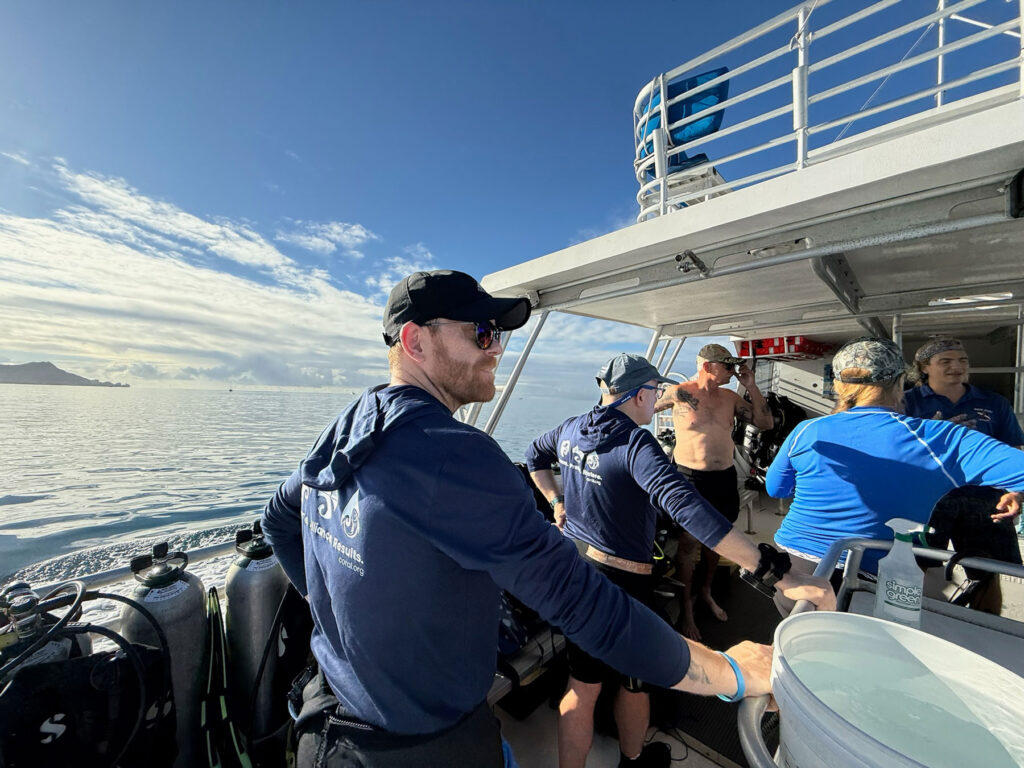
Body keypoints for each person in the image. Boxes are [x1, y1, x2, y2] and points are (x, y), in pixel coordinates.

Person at [262, 270, 782, 768]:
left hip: (328, 722)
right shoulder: (454, 454)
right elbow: (583, 603)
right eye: (482, 333)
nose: (497, 348)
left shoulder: (349, 423)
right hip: (425, 746)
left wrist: (336, 616)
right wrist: (730, 673)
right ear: (416, 341)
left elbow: (278, 520)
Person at [526, 353, 834, 768]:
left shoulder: (570, 429)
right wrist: (771, 569)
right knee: (635, 683)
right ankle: (633, 759)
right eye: (654, 392)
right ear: (640, 395)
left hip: (579, 573)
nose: (657, 402)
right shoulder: (635, 443)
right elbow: (686, 507)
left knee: (583, 686)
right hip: (624, 585)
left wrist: (556, 502)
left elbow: (533, 456)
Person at [766, 336, 1024, 613]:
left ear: (839, 386)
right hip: (881, 577)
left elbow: (776, 489)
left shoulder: (806, 430)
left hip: (795, 575)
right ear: (901, 382)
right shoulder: (941, 438)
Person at [653, 343, 774, 640]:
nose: (733, 371)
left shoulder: (731, 397)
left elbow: (765, 422)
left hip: (723, 479)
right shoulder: (679, 392)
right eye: (728, 366)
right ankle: (687, 609)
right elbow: (641, 410)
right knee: (687, 545)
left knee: (716, 542)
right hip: (689, 480)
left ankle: (706, 593)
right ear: (708, 366)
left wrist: (751, 386)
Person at [904, 337, 1024, 611]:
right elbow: (895, 452)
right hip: (928, 499)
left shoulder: (994, 403)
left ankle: (986, 627)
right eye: (945, 361)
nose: (956, 367)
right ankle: (922, 624)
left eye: (962, 361)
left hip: (984, 499)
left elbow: (1013, 452)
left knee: (987, 572)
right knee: (915, 565)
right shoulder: (906, 403)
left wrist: (1015, 492)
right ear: (925, 367)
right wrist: (936, 433)